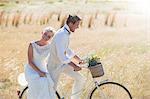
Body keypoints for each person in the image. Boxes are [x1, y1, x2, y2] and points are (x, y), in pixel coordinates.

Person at [47, 15, 86, 99]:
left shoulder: (65, 33)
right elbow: (62, 57)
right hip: (54, 67)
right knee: (51, 92)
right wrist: (74, 66)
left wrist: (79, 60)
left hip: (62, 65)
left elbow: (67, 50)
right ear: (71, 23)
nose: (78, 27)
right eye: (77, 24)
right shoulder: (62, 35)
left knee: (80, 79)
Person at [24, 27, 56, 99]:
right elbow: (30, 62)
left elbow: (57, 56)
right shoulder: (32, 45)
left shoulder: (50, 47)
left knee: (46, 82)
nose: (46, 37)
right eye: (45, 34)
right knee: (40, 82)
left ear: (51, 38)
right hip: (31, 69)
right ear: (42, 33)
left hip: (43, 68)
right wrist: (39, 72)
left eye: (49, 36)